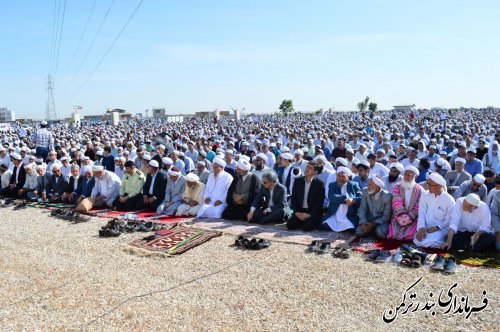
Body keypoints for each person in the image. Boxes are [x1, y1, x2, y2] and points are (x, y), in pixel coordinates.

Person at [414, 172, 455, 248]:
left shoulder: (449, 199)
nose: (427, 186)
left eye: (430, 185)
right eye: (427, 183)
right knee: (417, 240)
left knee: (427, 242)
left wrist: (437, 227)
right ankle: (438, 243)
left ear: (439, 186)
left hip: (442, 228)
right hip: (426, 227)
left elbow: (449, 219)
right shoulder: (425, 195)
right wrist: (421, 228)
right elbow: (421, 212)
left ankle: (442, 242)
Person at [386, 165, 423, 240]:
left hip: (412, 217)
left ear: (415, 177)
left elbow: (419, 205)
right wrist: (402, 216)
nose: (407, 176)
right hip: (398, 215)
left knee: (409, 236)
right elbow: (396, 202)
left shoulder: (420, 189)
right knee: (393, 234)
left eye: (410, 175)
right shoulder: (398, 186)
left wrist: (409, 217)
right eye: (405, 174)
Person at [287, 161, 325, 231]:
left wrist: (309, 215)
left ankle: (308, 221)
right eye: (307, 167)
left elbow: (319, 203)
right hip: (300, 211)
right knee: (290, 225)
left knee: (306, 227)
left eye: (310, 168)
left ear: (315, 172)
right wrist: (296, 212)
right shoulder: (298, 181)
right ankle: (302, 221)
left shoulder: (319, 184)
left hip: (312, 212)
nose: (307, 169)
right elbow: (294, 198)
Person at [321, 167, 362, 232]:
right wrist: (347, 199)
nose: (340, 178)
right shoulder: (332, 185)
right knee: (324, 225)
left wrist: (353, 200)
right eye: (338, 176)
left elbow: (360, 198)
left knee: (351, 228)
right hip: (334, 214)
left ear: (348, 177)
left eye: (343, 176)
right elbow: (332, 197)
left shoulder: (354, 185)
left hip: (348, 215)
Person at [355, 174, 392, 238]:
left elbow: (386, 216)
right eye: (368, 184)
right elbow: (362, 209)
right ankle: (369, 229)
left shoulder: (387, 196)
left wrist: (373, 225)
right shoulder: (365, 191)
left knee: (380, 233)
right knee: (359, 232)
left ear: (378, 187)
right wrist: (363, 223)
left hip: (381, 222)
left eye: (370, 185)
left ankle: (372, 230)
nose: (368, 187)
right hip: (368, 220)